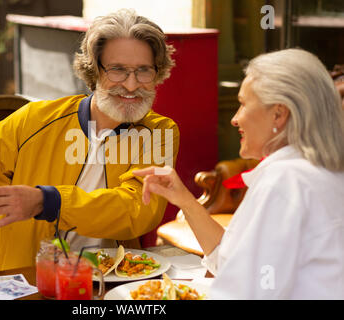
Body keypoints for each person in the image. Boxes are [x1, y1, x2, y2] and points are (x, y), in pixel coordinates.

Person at [0, 9, 179, 272]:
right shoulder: (31, 121)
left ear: (158, 73)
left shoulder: (159, 133)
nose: (131, 85)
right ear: (94, 70)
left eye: (143, 71)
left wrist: (48, 201)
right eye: (117, 70)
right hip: (25, 283)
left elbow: (137, 211)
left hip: (112, 284)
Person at [134, 48, 344, 299]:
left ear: (279, 113)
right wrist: (185, 200)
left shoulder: (285, 180)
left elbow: (246, 291)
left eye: (243, 104)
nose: (235, 119)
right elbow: (232, 259)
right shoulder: (319, 172)